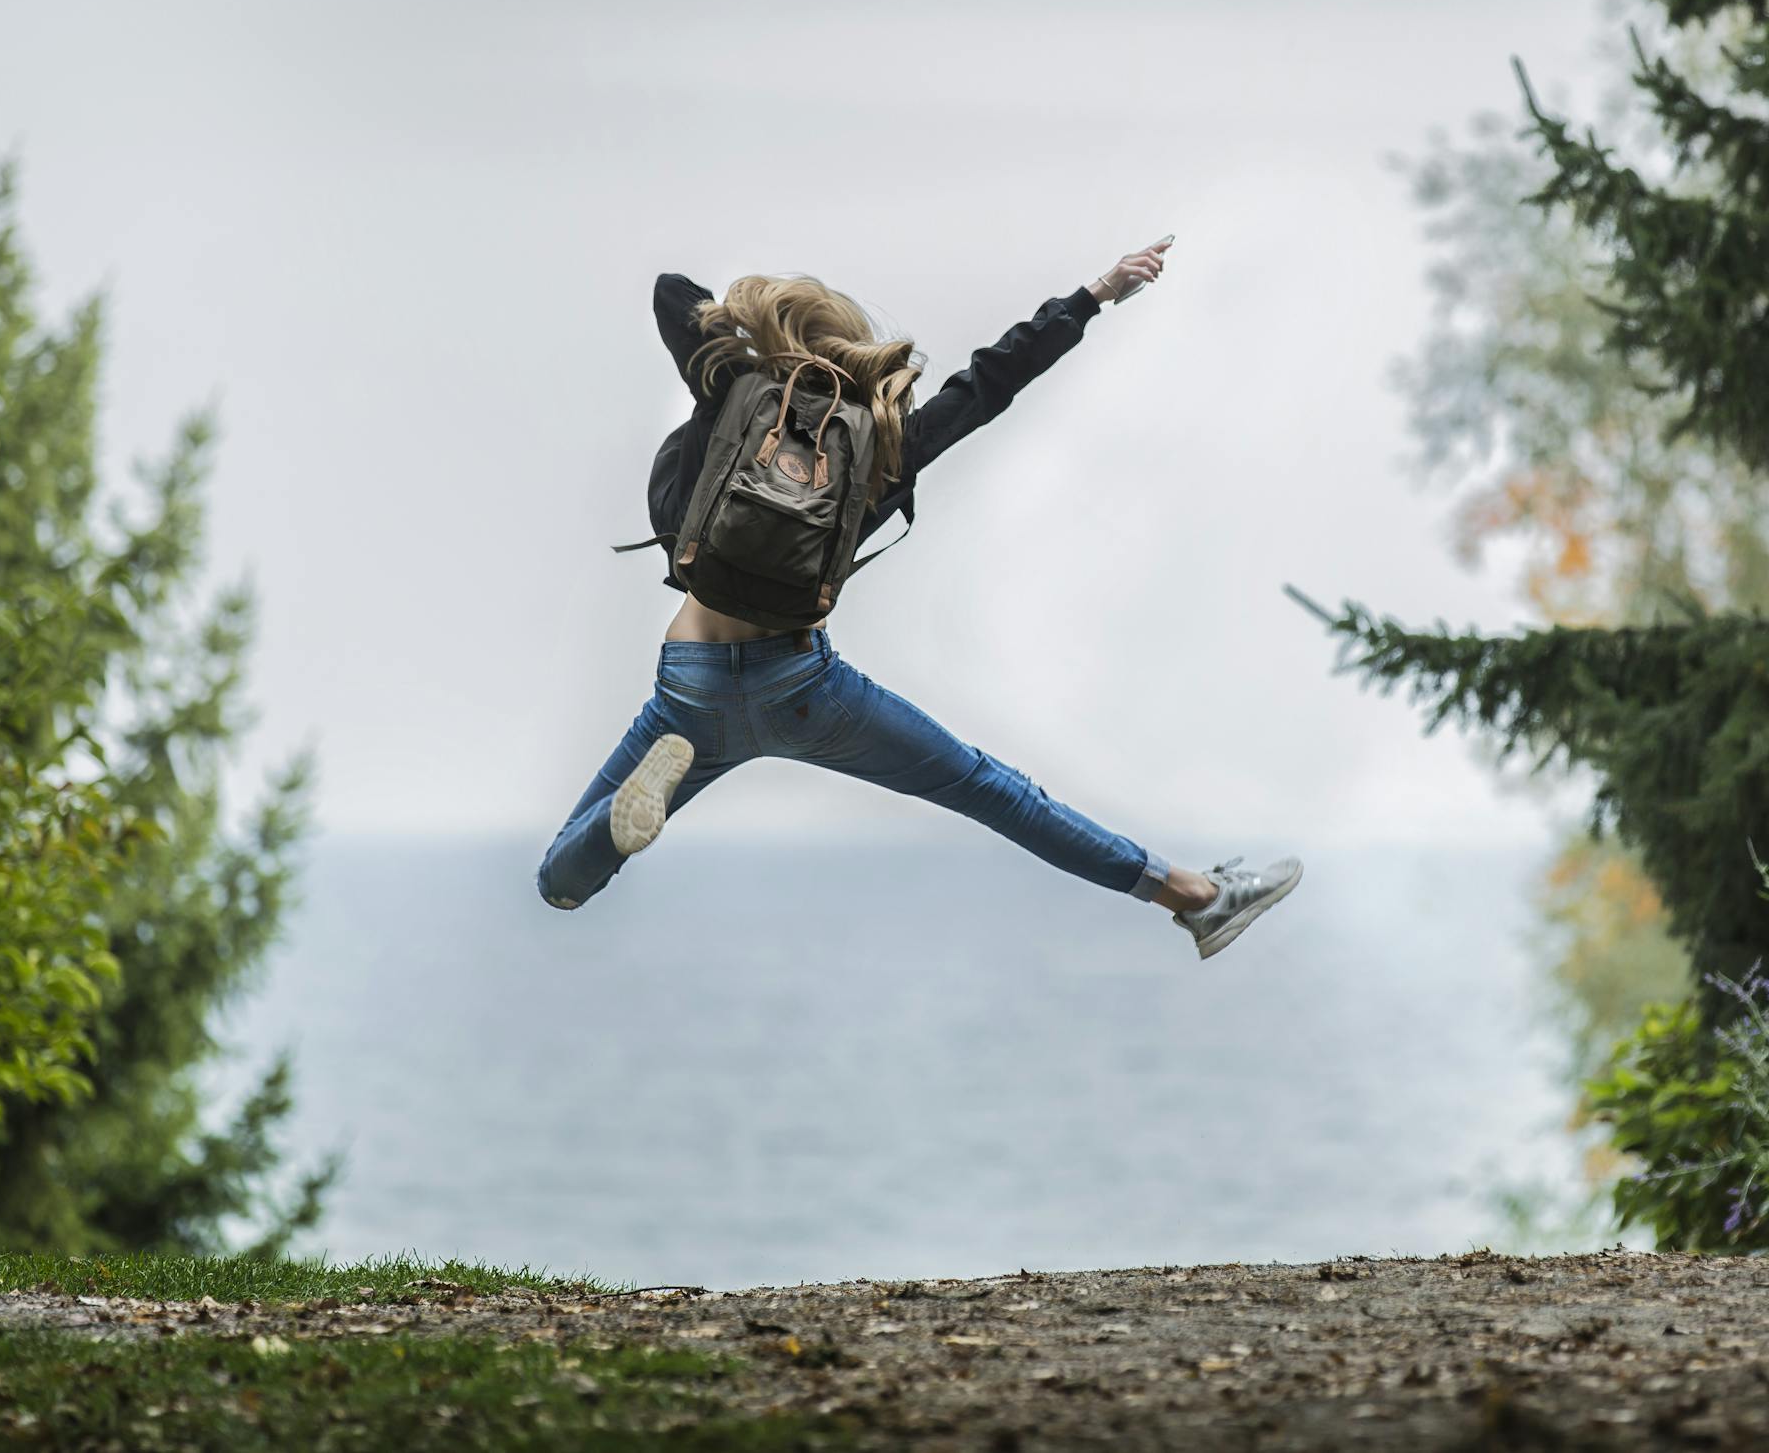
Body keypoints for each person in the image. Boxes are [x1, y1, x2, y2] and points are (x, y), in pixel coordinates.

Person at [533, 237, 1303, 960]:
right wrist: (1094, 294)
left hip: (691, 685)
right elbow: (989, 384)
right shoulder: (880, 443)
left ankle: (618, 824)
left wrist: (754, 335)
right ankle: (1194, 897)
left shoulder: (732, 392)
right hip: (803, 687)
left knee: (560, 881)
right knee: (993, 791)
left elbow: (674, 293)